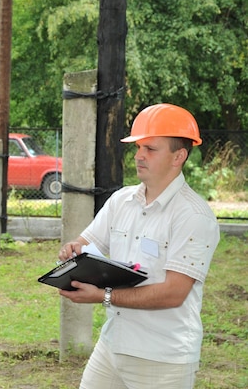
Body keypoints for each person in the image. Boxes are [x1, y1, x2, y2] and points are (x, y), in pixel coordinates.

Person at [58, 103, 220, 389]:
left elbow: (173, 294)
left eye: (151, 149)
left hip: (163, 358)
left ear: (178, 156)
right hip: (112, 345)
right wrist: (74, 251)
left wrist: (104, 296)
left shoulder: (193, 216)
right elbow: (86, 244)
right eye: (138, 147)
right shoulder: (121, 200)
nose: (139, 156)